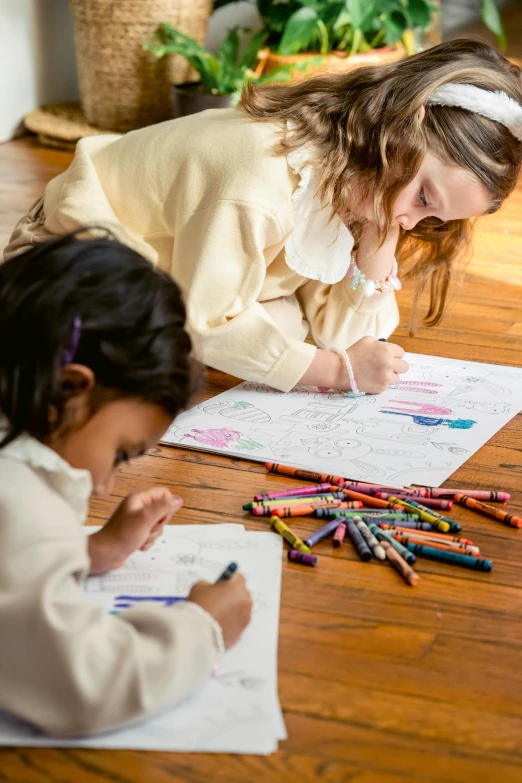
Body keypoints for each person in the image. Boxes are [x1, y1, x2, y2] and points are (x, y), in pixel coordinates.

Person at [4, 40, 522, 394]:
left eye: (433, 219)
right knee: (209, 348)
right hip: (67, 263)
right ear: (397, 129)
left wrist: (376, 245)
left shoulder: (359, 184)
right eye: (424, 198)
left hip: (174, 276)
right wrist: (335, 374)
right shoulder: (264, 181)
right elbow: (212, 322)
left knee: (289, 327)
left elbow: (341, 333)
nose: (411, 221)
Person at [0, 233, 252, 736]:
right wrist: (202, 628)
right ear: (71, 388)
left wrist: (89, 552)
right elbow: (85, 685)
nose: (103, 487)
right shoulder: (18, 496)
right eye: (119, 454)